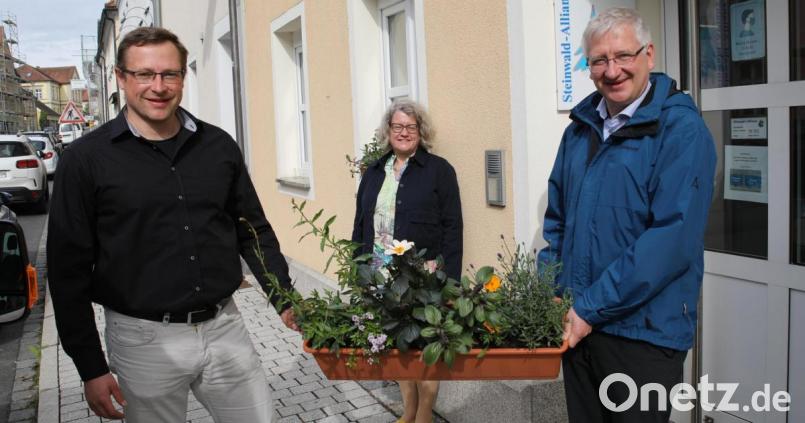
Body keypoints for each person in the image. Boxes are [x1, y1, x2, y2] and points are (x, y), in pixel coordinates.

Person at [47, 27, 298, 423]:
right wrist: (91, 367)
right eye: (145, 74)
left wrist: (284, 297)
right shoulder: (85, 160)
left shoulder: (217, 146)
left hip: (225, 327)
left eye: (170, 74)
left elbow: (253, 230)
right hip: (142, 340)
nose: (158, 86)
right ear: (120, 78)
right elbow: (66, 271)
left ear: (183, 76)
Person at [538, 8, 716, 423]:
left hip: (643, 335)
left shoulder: (681, 131)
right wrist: (552, 290)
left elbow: (670, 241)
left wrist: (589, 310)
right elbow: (558, 222)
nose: (612, 70)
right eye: (599, 60)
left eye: (623, 56)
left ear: (648, 55)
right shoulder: (579, 130)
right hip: (579, 326)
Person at [351, 100, 462, 423]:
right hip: (381, 276)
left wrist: (448, 277)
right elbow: (361, 223)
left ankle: (425, 414)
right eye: (398, 127)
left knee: (426, 346)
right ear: (388, 131)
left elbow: (453, 227)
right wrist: (359, 269)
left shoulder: (439, 171)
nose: (403, 133)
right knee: (398, 346)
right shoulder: (373, 172)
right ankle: (408, 410)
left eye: (410, 127)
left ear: (420, 132)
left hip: (422, 278)